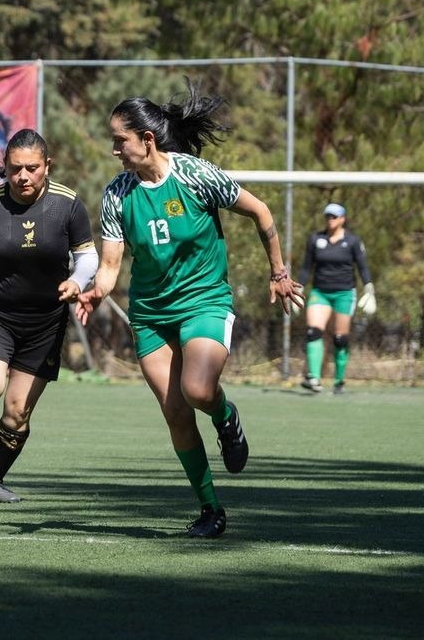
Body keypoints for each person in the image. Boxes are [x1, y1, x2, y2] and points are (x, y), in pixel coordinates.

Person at [75, 80, 303, 538]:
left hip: (204, 300)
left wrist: (278, 272)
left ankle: (226, 417)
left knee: (198, 391)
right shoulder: (117, 194)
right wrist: (95, 291)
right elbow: (111, 266)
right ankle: (210, 509)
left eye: (120, 139)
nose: (114, 149)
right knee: (175, 412)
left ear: (147, 139)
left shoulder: (196, 175)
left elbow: (261, 213)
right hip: (151, 313)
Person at [0, 129, 98, 503]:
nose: (23, 177)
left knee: (16, 413)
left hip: (45, 323)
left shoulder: (68, 204)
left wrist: (78, 280)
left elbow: (88, 255)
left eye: (32, 168)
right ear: (5, 168)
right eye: (15, 169)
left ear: (48, 166)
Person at [297, 202, 374, 395]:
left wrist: (369, 288)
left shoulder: (353, 241)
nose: (330, 220)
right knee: (313, 331)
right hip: (320, 292)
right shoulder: (315, 239)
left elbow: (362, 266)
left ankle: (339, 381)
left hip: (345, 293)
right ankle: (314, 378)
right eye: (328, 216)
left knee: (340, 338)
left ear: (342, 219)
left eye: (334, 216)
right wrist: (297, 289)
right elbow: (306, 267)